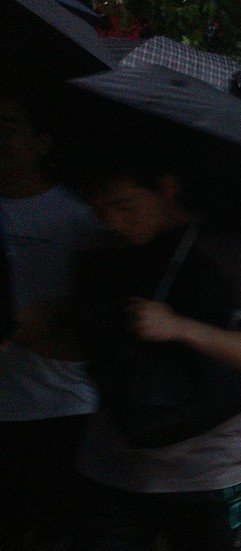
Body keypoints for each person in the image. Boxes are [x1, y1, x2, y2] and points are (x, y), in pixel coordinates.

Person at [64, 167, 241, 549]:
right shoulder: (99, 252)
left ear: (167, 188)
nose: (114, 221)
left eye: (125, 205)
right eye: (100, 210)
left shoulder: (232, 252)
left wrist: (181, 327)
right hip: (110, 466)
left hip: (206, 473)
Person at [0, 93, 109, 547]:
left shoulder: (82, 220)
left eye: (8, 128)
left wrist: (29, 331)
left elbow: (104, 323)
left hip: (66, 408)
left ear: (41, 142)